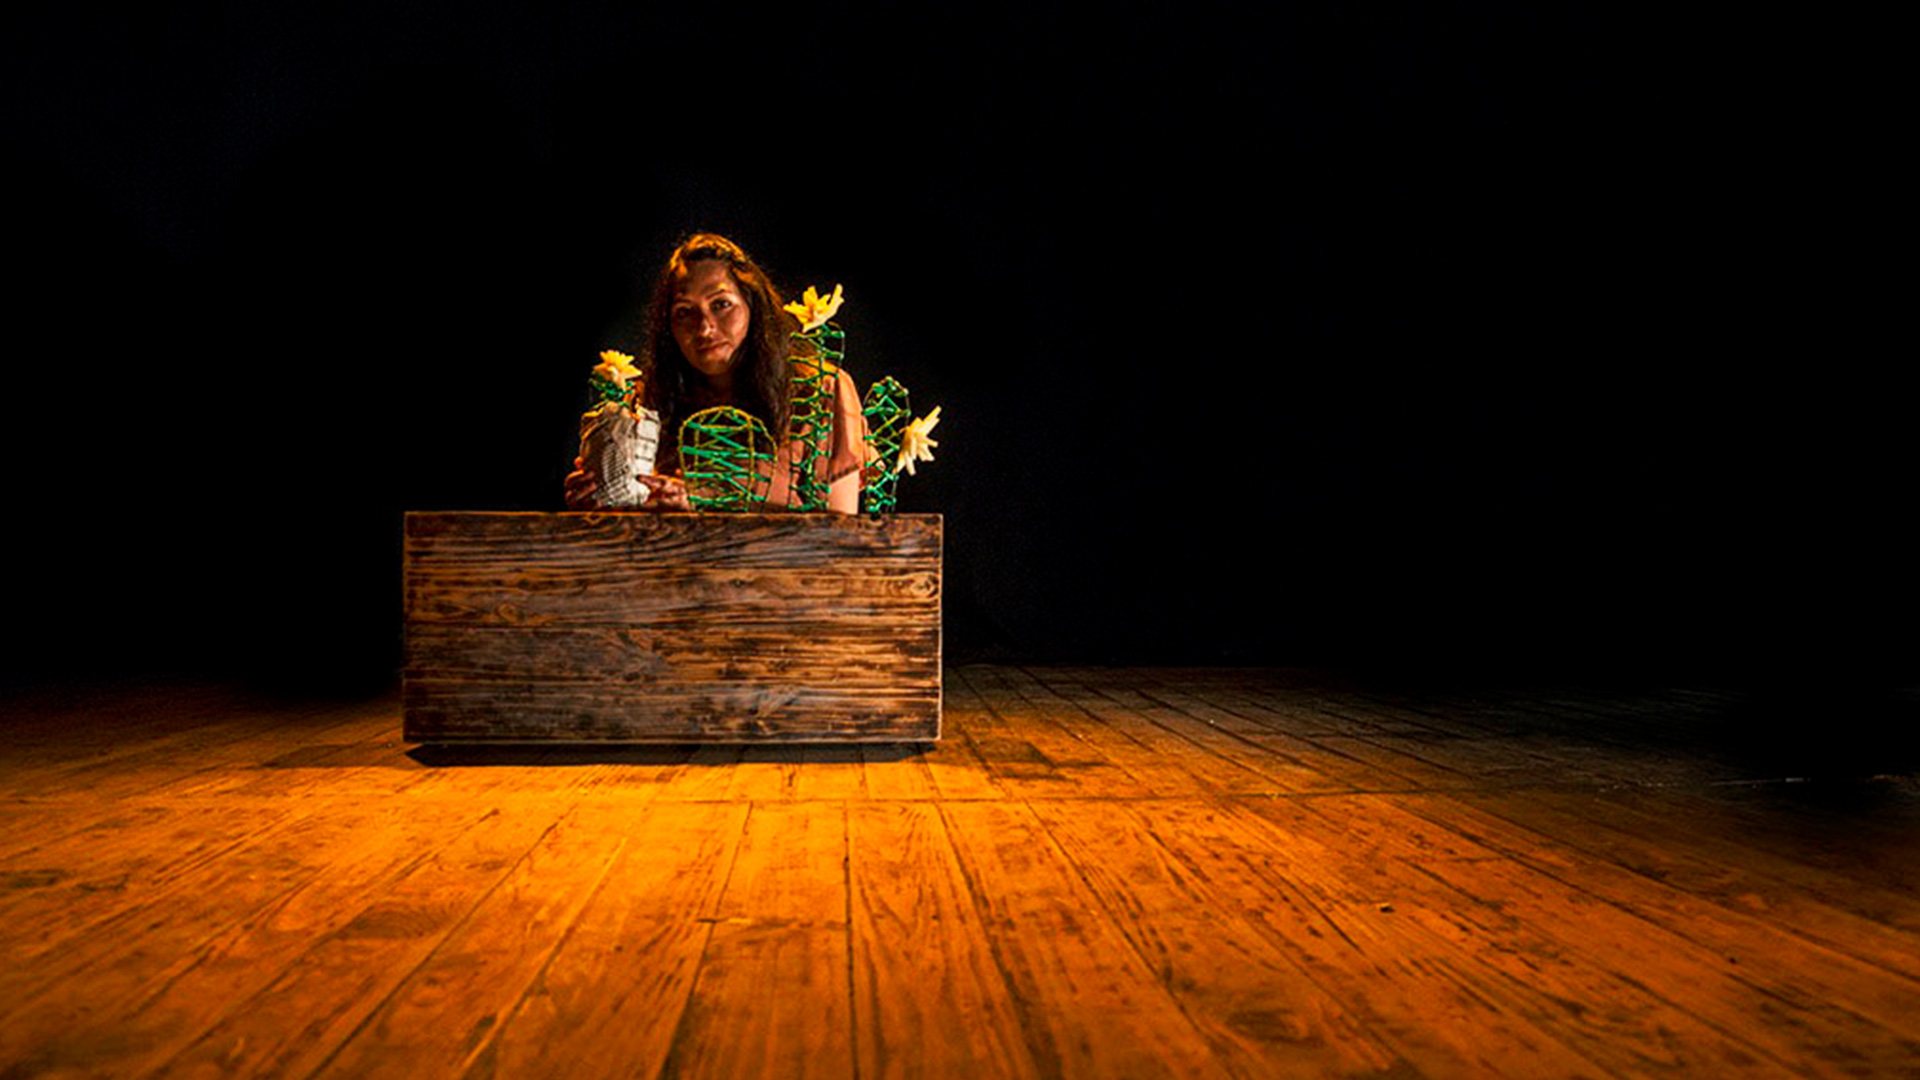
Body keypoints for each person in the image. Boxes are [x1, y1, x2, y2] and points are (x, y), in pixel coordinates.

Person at [564, 234, 872, 514]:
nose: (704, 328)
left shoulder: (819, 392)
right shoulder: (649, 401)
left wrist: (704, 503)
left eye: (721, 304)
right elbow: (636, 515)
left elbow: (842, 528)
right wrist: (600, 500)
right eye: (685, 312)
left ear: (753, 306)